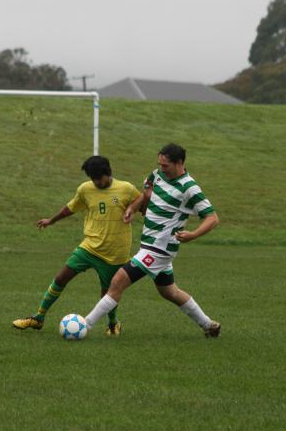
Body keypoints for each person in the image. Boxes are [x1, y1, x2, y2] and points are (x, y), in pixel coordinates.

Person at [83, 143, 222, 338]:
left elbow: (212, 218)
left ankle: (84, 326)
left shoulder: (190, 188)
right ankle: (209, 325)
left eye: (165, 166)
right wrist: (132, 208)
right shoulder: (157, 175)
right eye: (160, 164)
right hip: (149, 244)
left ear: (179, 163)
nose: (161, 169)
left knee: (118, 280)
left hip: (160, 249)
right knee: (169, 291)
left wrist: (193, 235)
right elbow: (146, 195)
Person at [13, 155, 141, 336]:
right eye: (92, 178)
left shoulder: (126, 189)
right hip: (89, 247)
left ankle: (113, 323)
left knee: (109, 294)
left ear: (108, 173)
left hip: (114, 254)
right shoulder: (85, 189)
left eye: (99, 178)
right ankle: (38, 317)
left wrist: (132, 209)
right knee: (61, 278)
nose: (96, 182)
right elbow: (70, 207)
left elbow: (142, 201)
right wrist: (52, 220)